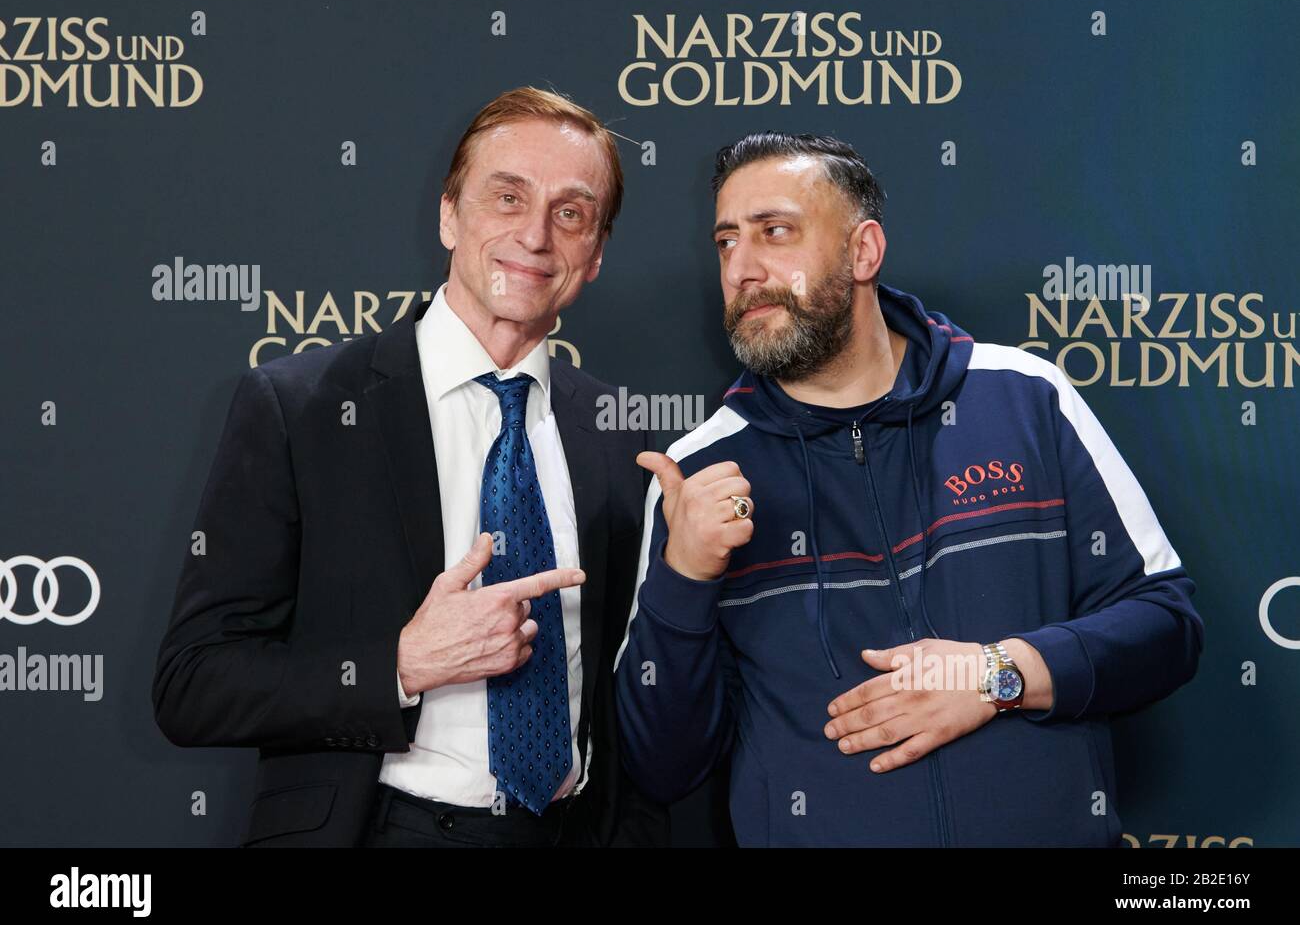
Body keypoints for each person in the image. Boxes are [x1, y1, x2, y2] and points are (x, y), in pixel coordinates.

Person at [614, 132, 1204, 846]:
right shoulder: (697, 470)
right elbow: (661, 766)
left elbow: (1165, 627)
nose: (742, 268)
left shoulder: (1024, 397)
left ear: (863, 251)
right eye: (726, 242)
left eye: (775, 233)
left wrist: (998, 674)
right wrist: (686, 577)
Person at [154, 86, 666, 848]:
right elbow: (194, 685)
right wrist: (400, 663)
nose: (534, 236)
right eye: (507, 197)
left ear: (593, 255)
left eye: (570, 213)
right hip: (380, 828)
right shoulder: (301, 407)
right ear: (449, 215)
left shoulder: (627, 439)